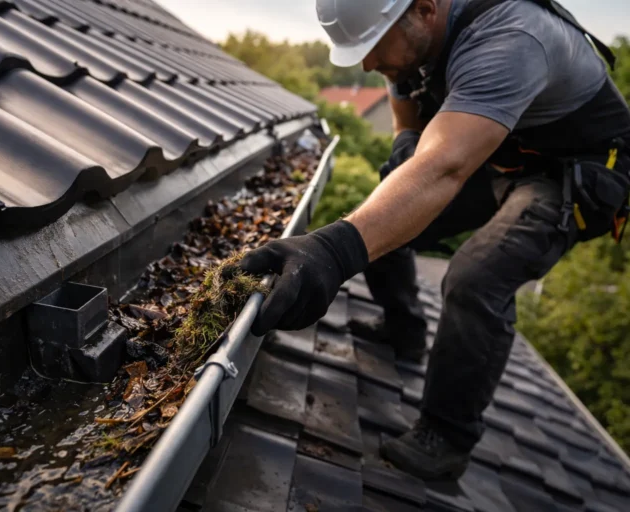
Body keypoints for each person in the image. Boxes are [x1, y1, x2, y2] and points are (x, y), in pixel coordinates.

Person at [234, 0, 630, 480]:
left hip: (571, 171)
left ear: (424, 10)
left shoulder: (510, 39)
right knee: (387, 200)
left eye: (374, 48)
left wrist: (333, 252)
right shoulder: (411, 37)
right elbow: (410, 127)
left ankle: (447, 438)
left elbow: (445, 167)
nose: (367, 65)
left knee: (476, 275)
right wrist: (404, 145)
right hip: (502, 155)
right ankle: (404, 333)